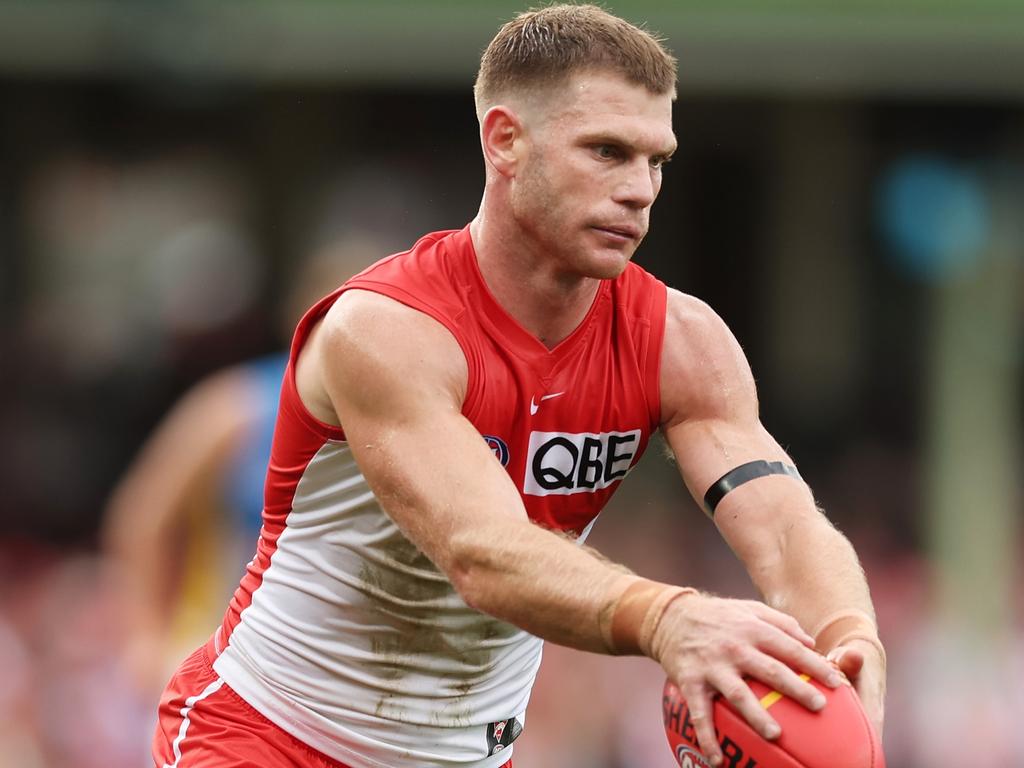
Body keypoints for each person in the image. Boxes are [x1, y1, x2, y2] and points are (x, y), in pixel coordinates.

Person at [151, 6, 886, 768]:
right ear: (504, 140)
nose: (640, 189)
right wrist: (670, 617)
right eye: (607, 151)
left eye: (656, 160)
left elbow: (783, 522)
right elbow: (484, 554)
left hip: (469, 756)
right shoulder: (385, 331)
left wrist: (847, 632)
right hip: (266, 735)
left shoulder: (682, 342)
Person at [103, 238, 381, 697]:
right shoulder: (236, 407)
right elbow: (142, 515)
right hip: (221, 652)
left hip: (337, 676)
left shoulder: (409, 425)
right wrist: (147, 636)